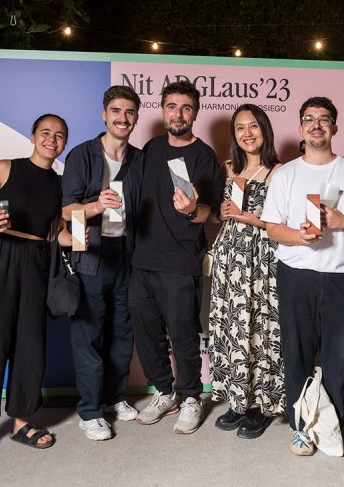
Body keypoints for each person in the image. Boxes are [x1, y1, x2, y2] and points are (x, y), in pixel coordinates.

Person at [261, 96, 344, 456]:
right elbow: (272, 230)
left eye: (324, 119)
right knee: (296, 355)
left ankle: (338, 424)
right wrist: (300, 235)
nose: (316, 125)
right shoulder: (285, 174)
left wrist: (343, 222)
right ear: (300, 128)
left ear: (335, 127)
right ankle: (301, 428)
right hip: (296, 275)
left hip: (342, 277)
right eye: (309, 119)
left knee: (341, 357)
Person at [0, 114, 68, 465]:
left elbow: (54, 234)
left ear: (64, 143)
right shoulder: (6, 168)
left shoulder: (62, 185)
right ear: (33, 136)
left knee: (29, 342)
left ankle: (21, 421)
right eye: (45, 132)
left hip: (36, 259)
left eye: (59, 135)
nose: (52, 139)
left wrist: (79, 239)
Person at [129, 80, 221, 434]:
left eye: (186, 107)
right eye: (172, 106)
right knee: (147, 331)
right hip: (141, 260)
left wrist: (191, 209)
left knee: (183, 333)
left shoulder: (204, 156)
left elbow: (211, 214)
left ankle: (191, 396)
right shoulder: (150, 149)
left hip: (180, 261)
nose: (178, 114)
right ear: (163, 110)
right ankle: (164, 391)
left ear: (195, 113)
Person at [61, 85, 143, 441]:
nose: (122, 118)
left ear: (136, 117)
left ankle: (114, 398)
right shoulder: (82, 155)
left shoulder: (139, 158)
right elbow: (66, 210)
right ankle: (90, 412)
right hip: (91, 255)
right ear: (104, 114)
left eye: (129, 112)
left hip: (128, 255)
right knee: (89, 335)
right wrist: (97, 205)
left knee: (123, 333)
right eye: (116, 111)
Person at [208, 104, 284, 439]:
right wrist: (222, 213)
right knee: (234, 326)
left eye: (253, 126)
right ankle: (240, 398)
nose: (247, 133)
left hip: (262, 258)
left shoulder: (280, 171)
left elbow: (288, 221)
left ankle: (263, 404)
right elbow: (216, 217)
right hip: (229, 260)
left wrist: (256, 219)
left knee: (261, 327)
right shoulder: (228, 168)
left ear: (265, 131)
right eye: (240, 128)